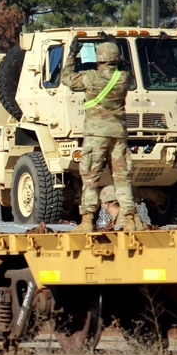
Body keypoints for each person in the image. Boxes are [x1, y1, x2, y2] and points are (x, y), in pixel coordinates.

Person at [62, 39, 143, 233]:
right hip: (118, 134)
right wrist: (117, 48)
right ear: (116, 59)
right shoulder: (123, 78)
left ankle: (87, 222)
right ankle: (130, 220)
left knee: (90, 178)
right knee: (122, 178)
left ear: (99, 59)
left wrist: (72, 55)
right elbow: (126, 69)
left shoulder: (90, 78)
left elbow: (67, 79)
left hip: (96, 135)